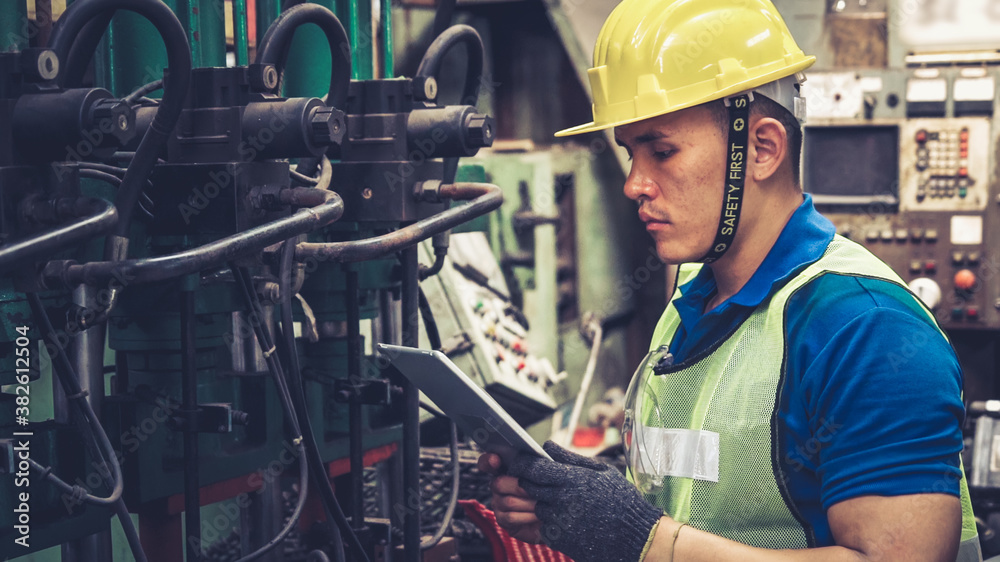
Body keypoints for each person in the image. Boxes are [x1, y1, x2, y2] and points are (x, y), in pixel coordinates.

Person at [477, 0, 981, 561]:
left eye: (662, 151)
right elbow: (708, 501)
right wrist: (593, 507)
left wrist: (640, 539)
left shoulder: (864, 328)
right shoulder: (691, 299)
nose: (635, 184)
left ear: (761, 149)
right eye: (630, 152)